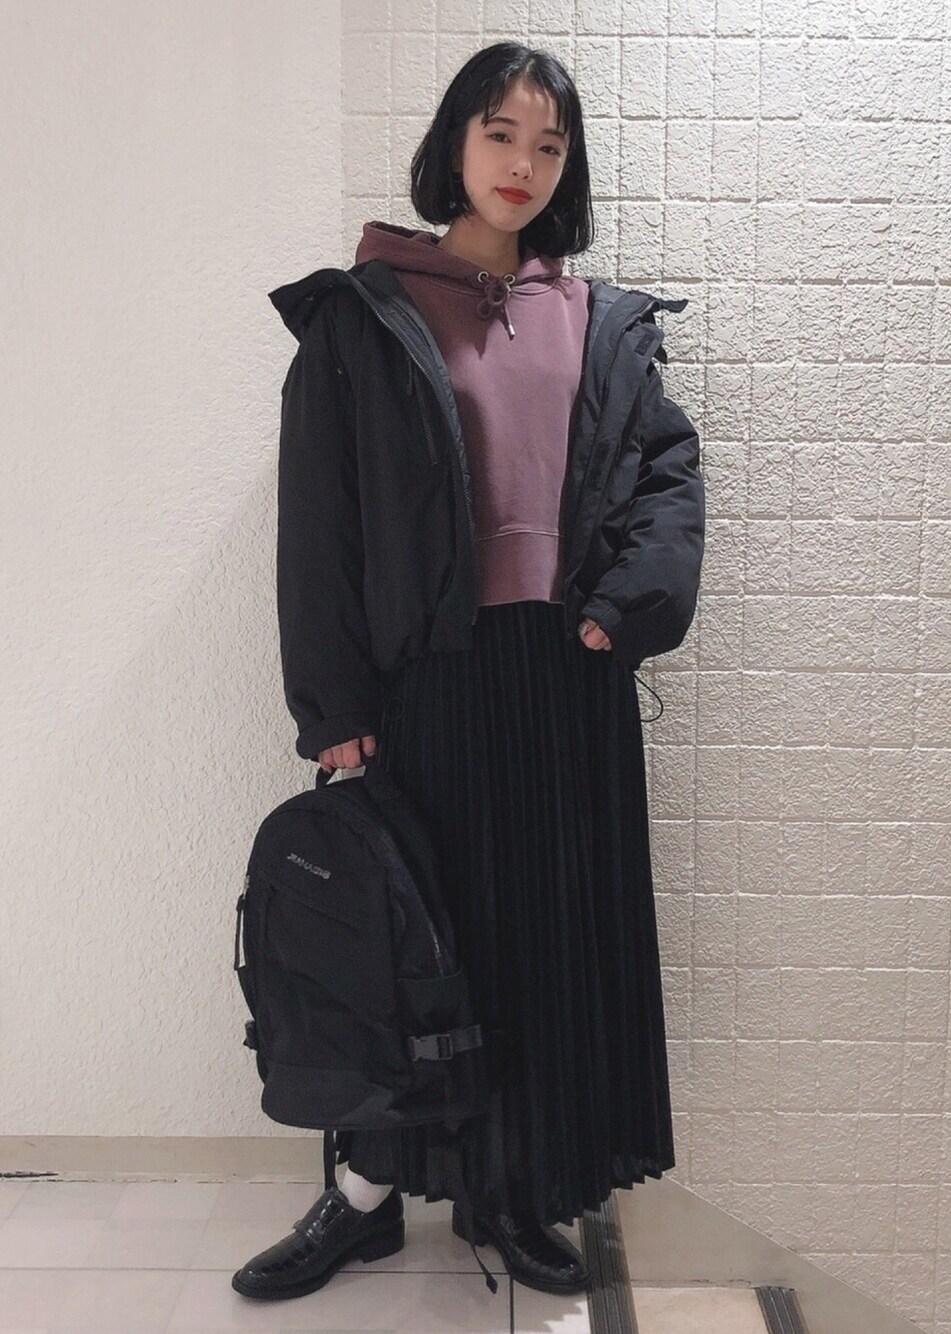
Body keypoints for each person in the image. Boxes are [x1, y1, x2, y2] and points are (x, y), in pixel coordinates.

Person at [233, 39, 704, 1310]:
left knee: (537, 940)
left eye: (549, 144)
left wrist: (623, 610)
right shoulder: (364, 312)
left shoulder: (599, 320)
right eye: (501, 133)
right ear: (454, 140)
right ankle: (365, 1195)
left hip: (567, 674)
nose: (522, 164)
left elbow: (667, 474)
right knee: (409, 946)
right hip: (425, 681)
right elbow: (318, 525)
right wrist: (334, 708)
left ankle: (512, 1188)